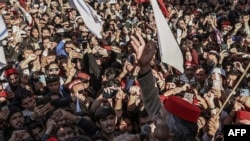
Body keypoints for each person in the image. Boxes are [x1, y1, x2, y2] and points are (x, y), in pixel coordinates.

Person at [131, 32, 201, 141]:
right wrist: (144, 66)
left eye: (159, 116)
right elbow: (152, 101)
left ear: (172, 131)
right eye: (158, 114)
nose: (153, 118)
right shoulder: (168, 127)